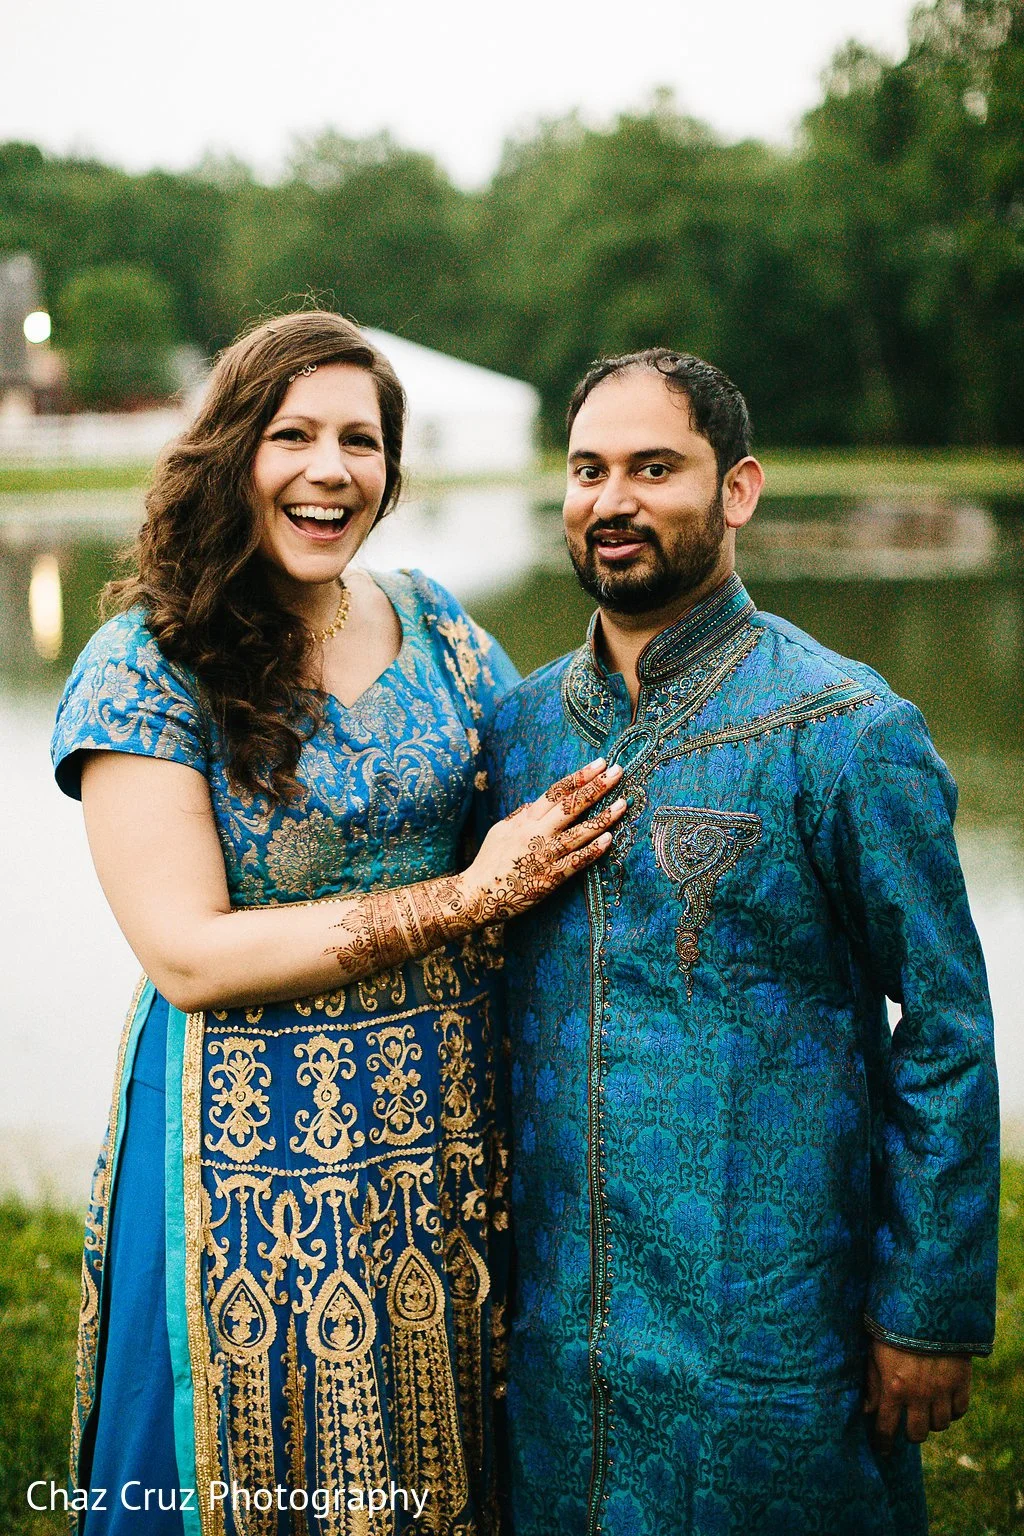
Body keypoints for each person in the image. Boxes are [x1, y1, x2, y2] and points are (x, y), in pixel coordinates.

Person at [51, 310, 626, 1535]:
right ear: (228, 455)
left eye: (359, 441)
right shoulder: (144, 664)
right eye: (291, 435)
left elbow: (546, 802)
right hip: (242, 1140)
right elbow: (189, 955)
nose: (331, 470)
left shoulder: (434, 620)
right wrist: (467, 898)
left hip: (443, 1130)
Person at [481, 348, 999, 1536]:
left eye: (655, 468)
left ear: (738, 489)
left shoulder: (846, 729)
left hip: (775, 1311)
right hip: (558, 1318)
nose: (612, 502)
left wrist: (924, 1306)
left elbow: (946, 1029)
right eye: (587, 470)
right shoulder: (513, 731)